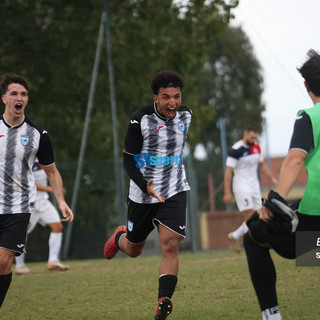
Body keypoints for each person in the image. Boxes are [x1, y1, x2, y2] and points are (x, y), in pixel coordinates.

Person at [103, 70, 192, 320]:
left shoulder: (187, 115)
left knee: (171, 243)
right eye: (166, 97)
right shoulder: (139, 119)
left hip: (174, 188)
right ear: (156, 98)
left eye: (176, 96)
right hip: (142, 194)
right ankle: (120, 235)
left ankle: (164, 300)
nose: (172, 102)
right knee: (133, 249)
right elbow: (128, 161)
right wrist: (145, 185)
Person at [243, 49, 320, 320]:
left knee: (254, 236)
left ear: (306, 85)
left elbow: (295, 160)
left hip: (317, 216)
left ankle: (271, 316)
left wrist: (273, 200)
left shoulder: (309, 117)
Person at [0, 74, 74, 307]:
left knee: (3, 263)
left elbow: (52, 172)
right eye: (14, 93)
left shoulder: (37, 135)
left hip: (19, 207)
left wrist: (60, 200)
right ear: (4, 98)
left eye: (23, 94)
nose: (19, 98)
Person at [223, 125, 278, 252]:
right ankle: (255, 243)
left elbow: (262, 165)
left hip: (255, 187)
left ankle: (235, 235)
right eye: (251, 137)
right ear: (245, 134)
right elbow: (228, 172)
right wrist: (227, 192)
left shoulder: (256, 147)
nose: (254, 140)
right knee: (250, 215)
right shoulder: (236, 150)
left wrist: (272, 178)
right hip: (241, 187)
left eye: (255, 138)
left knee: (260, 215)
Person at [14, 158, 69, 275]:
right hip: (28, 203)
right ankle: (19, 266)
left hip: (43, 202)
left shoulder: (42, 159)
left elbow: (52, 173)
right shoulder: (24, 158)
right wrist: (52, 189)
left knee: (57, 226)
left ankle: (53, 260)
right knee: (22, 233)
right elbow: (29, 183)